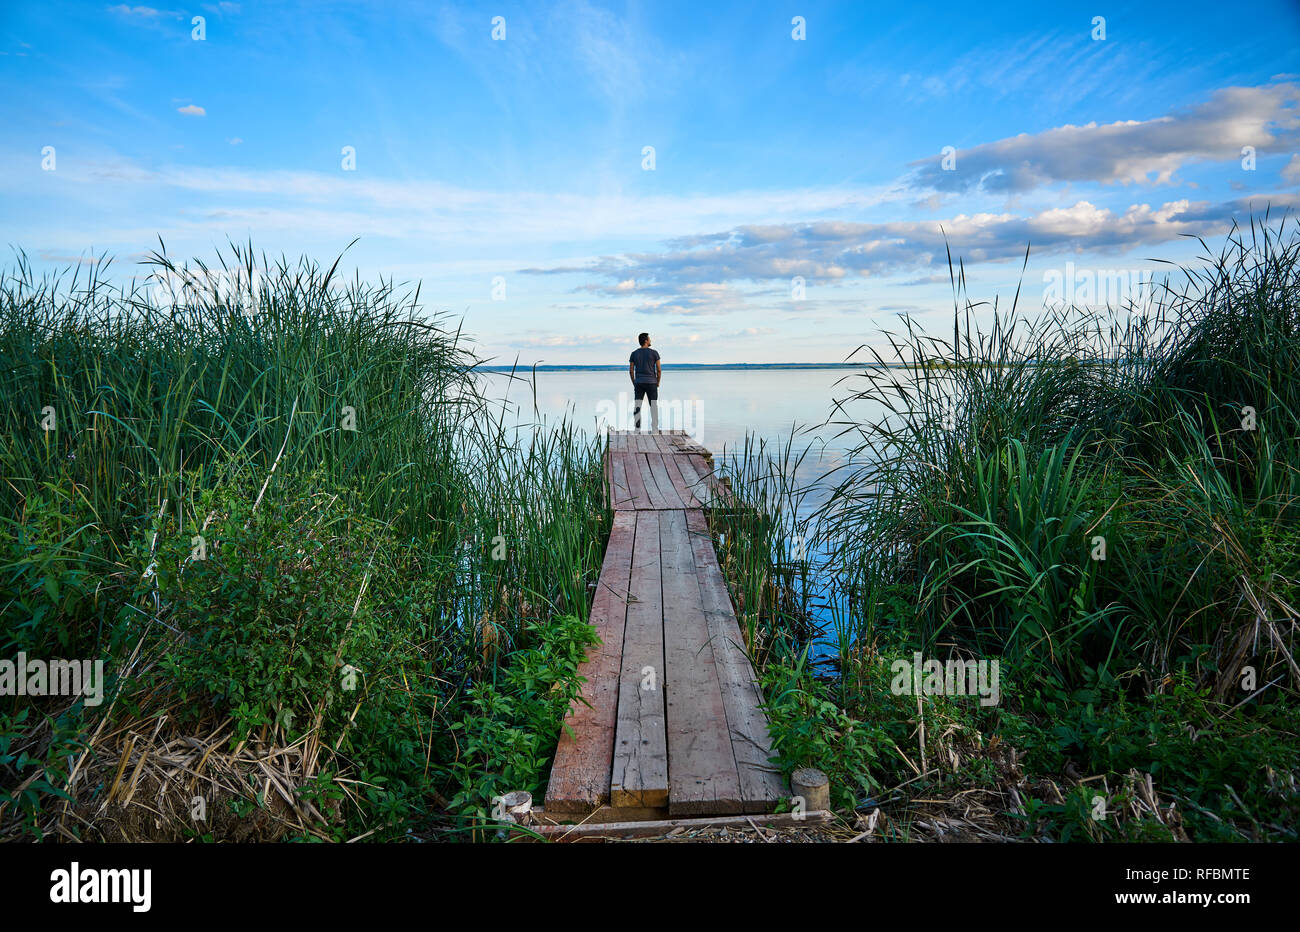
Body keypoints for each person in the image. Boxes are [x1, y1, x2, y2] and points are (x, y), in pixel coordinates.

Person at [628, 332, 661, 430]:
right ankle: (654, 427)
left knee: (638, 405)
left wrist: (635, 382)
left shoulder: (634, 354)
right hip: (652, 383)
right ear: (646, 341)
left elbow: (631, 371)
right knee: (653, 405)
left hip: (639, 383)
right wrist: (657, 382)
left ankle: (637, 427)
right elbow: (659, 370)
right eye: (649, 339)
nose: (650, 340)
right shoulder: (654, 353)